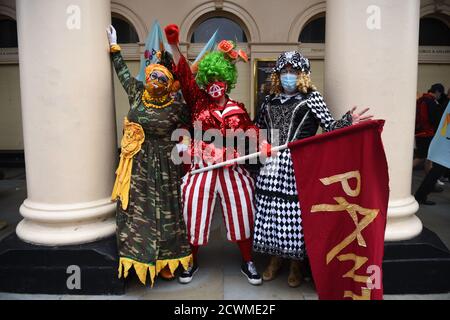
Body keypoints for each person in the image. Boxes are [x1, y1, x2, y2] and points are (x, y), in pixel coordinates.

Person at [252, 51, 373, 288]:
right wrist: (260, 142)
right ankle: (275, 259)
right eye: (284, 71)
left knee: (295, 216)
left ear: (302, 74)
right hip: (270, 164)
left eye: (293, 72)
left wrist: (348, 120)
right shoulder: (269, 100)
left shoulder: (312, 99)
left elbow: (329, 127)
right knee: (271, 213)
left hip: (298, 165)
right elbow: (258, 128)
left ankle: (296, 263)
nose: (288, 76)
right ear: (277, 74)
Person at [164, 24, 271, 286]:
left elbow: (251, 131)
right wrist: (175, 45)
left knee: (244, 208)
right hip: (202, 168)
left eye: (219, 81)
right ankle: (191, 259)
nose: (215, 86)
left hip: (232, 167)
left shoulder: (238, 108)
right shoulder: (198, 102)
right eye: (210, 81)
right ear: (206, 82)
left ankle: (247, 260)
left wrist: (262, 143)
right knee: (193, 210)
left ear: (227, 81)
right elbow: (186, 76)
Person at [107, 25, 192, 286]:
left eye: (162, 79)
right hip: (138, 165)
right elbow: (122, 73)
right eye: (153, 76)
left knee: (167, 212)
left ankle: (166, 263)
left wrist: (184, 142)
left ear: (169, 83)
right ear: (147, 75)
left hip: (166, 165)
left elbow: (190, 126)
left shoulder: (177, 104)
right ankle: (139, 258)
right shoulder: (136, 93)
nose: (156, 82)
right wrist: (114, 47)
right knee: (136, 211)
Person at [414, 84, 445, 175]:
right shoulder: (430, 101)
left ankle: (430, 181)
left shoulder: (420, 100)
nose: (440, 96)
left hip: (420, 132)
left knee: (428, 157)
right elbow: (433, 119)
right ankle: (401, 173)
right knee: (421, 157)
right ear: (437, 91)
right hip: (427, 133)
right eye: (440, 93)